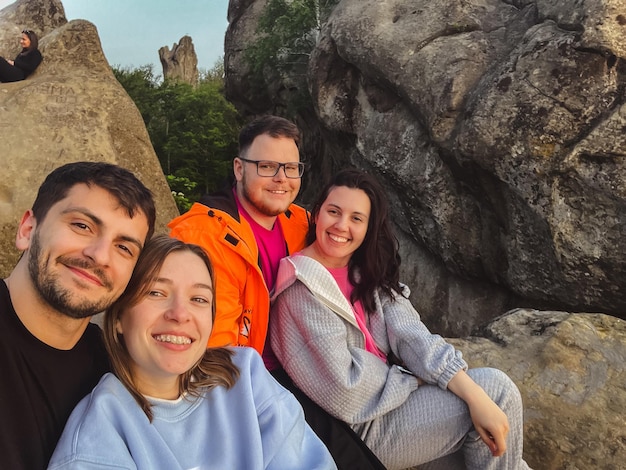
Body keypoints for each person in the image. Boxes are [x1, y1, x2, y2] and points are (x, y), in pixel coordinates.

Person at [270, 168, 533, 470]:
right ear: (316, 214)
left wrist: (467, 392)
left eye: (356, 218)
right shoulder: (298, 290)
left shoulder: (365, 273)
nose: (342, 226)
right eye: (334, 212)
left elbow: (412, 337)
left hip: (396, 408)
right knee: (497, 391)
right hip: (359, 431)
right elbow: (345, 389)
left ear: (369, 228)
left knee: (496, 442)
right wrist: (414, 378)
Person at [169, 115, 386, 469]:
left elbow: (358, 267)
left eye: (290, 167)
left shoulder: (301, 223)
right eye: (267, 166)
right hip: (251, 381)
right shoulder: (203, 237)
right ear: (240, 169)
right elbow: (214, 353)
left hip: (304, 366)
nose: (281, 179)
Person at [48, 235, 337, 470]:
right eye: (157, 293)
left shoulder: (245, 376)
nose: (180, 314)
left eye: (199, 299)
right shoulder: (99, 436)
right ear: (120, 316)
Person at [0, 161, 155, 470]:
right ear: (27, 230)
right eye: (82, 226)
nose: (99, 255)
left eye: (124, 247)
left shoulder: (119, 370)